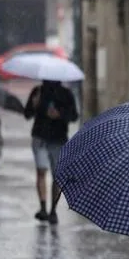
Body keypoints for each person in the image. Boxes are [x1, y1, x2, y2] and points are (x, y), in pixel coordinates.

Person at [24, 79, 79, 224]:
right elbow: (27, 114)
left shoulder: (66, 94)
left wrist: (59, 114)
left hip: (58, 138)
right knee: (41, 170)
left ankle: (53, 210)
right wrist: (33, 105)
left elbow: (74, 116)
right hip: (40, 137)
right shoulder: (38, 92)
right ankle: (43, 207)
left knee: (57, 176)